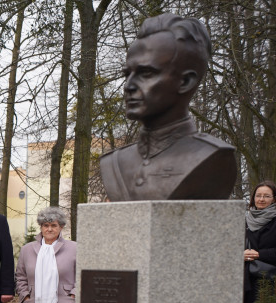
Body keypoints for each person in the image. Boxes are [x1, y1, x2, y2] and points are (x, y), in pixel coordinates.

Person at [99, 14, 236, 202]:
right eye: (127, 74)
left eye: (146, 73)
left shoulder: (213, 157)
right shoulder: (113, 163)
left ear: (186, 81)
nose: (128, 86)